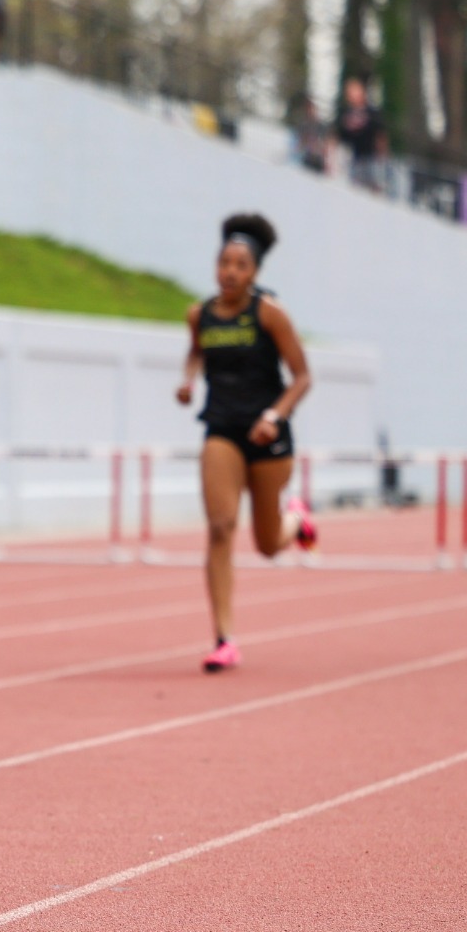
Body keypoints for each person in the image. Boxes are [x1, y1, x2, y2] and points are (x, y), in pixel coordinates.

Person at [174, 213, 316, 674]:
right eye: (224, 263)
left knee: (269, 544)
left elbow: (302, 377)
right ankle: (224, 639)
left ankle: (296, 519)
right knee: (220, 527)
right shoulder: (199, 314)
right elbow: (196, 350)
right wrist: (188, 381)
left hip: (267, 434)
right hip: (222, 429)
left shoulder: (269, 314)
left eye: (240, 265)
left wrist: (274, 417)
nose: (230, 272)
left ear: (254, 272)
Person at [334, 75, 386, 190]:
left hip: (371, 158)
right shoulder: (346, 113)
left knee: (374, 187)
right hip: (355, 158)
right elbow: (340, 136)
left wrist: (381, 155)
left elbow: (380, 134)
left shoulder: (372, 112)